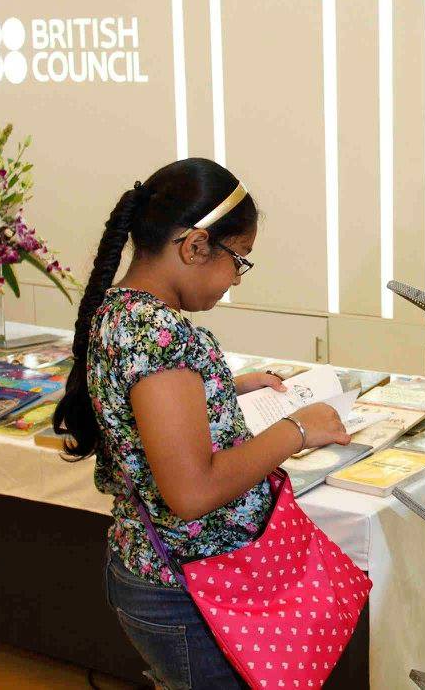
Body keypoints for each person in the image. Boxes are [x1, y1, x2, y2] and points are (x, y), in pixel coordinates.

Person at [52, 158, 352, 689]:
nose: (236, 279)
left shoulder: (122, 313)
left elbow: (142, 402)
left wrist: (227, 387)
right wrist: (296, 430)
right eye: (240, 260)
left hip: (158, 572)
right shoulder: (159, 333)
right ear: (194, 246)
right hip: (187, 587)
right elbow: (191, 491)